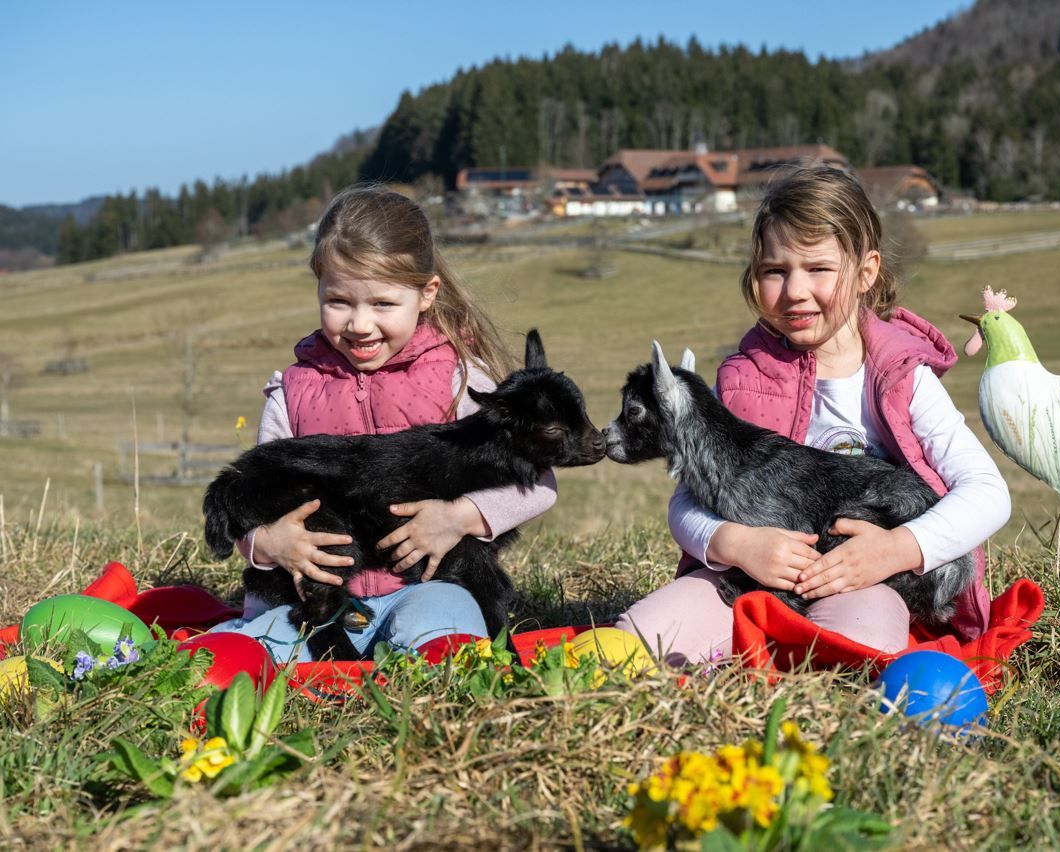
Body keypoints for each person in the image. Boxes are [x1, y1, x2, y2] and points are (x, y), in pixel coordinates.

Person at [615, 163, 1010, 667]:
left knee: (845, 653)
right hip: (744, 578)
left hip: (862, 581)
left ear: (866, 272)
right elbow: (686, 504)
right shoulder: (741, 382)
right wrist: (734, 542)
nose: (795, 290)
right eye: (775, 271)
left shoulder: (901, 379)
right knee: (635, 642)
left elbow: (987, 493)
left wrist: (897, 549)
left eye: (819, 269)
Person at [209, 186, 556, 662]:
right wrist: (265, 544)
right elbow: (255, 493)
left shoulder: (459, 380)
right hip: (306, 600)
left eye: (383, 304)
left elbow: (536, 484)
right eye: (339, 301)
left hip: (428, 586)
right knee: (241, 656)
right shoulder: (293, 390)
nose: (359, 324)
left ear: (426, 294)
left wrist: (457, 518)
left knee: (446, 642)